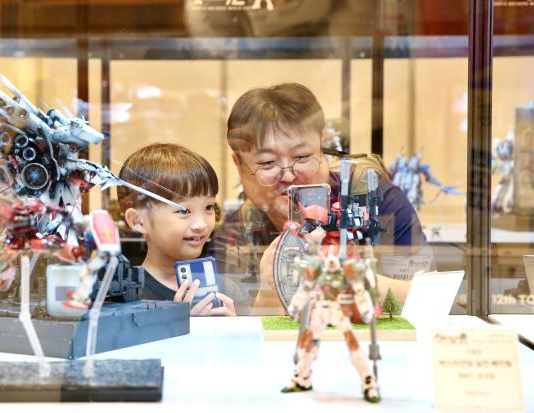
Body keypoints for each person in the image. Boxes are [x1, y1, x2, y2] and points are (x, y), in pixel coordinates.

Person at [213, 83, 433, 311]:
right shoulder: (237, 233)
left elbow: (432, 297)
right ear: (238, 165)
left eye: (302, 156)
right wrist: (270, 291)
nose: (288, 175)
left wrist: (355, 281)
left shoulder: (377, 201)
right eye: (268, 162)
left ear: (322, 145)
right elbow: (235, 334)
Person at [117, 143, 241, 316]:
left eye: (209, 207)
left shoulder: (227, 290)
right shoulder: (124, 298)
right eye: (183, 211)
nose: (201, 225)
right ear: (139, 221)